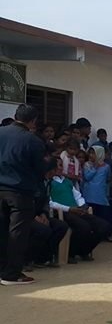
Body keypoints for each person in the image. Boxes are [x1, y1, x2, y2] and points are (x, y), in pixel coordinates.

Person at [0, 104, 47, 285]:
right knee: (17, 233)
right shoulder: (33, 140)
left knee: (2, 231)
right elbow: (39, 170)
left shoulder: (1, 133)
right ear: (33, 120)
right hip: (20, 192)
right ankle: (11, 274)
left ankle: (2, 268)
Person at [47, 157, 112, 262]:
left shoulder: (67, 181)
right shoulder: (49, 182)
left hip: (76, 210)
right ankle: (71, 253)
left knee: (104, 227)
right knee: (83, 227)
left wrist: (82, 205)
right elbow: (50, 202)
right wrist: (69, 209)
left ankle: (84, 250)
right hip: (62, 212)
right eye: (59, 165)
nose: (61, 168)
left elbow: (77, 196)